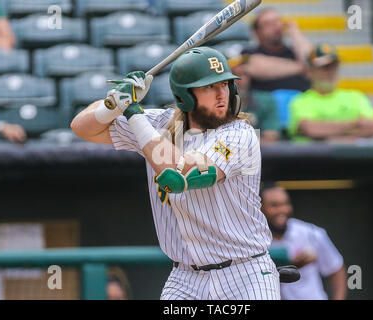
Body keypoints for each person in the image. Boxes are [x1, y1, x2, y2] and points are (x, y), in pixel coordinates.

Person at [71, 47, 281, 300]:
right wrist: (114, 104)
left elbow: (179, 170)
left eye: (224, 84)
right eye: (208, 87)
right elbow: (82, 128)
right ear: (185, 96)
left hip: (245, 273)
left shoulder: (240, 134)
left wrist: (134, 113)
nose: (220, 94)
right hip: (185, 278)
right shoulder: (161, 123)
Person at [261, 184, 347, 300]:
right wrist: (293, 262)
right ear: (261, 208)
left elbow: (336, 269)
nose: (282, 210)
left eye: (285, 203)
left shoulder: (310, 233)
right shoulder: (255, 240)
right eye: (274, 205)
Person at [289, 43, 373, 142]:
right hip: (314, 156)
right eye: (324, 67)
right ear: (310, 72)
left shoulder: (355, 96)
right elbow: (311, 129)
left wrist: (331, 134)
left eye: (334, 66)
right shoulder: (300, 101)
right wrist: (354, 124)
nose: (330, 72)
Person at [241, 8, 312, 92]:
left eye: (277, 21)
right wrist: (303, 68)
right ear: (257, 32)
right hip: (267, 102)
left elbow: (311, 60)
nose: (275, 26)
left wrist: (294, 31)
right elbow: (256, 66)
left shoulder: (294, 52)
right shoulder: (249, 52)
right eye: (268, 24)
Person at [227, 50, 280, 143]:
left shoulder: (265, 100)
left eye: (245, 74)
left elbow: (271, 138)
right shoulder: (214, 104)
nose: (240, 80)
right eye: (234, 74)